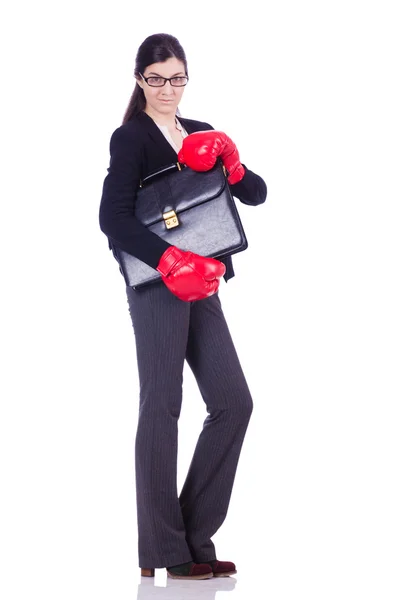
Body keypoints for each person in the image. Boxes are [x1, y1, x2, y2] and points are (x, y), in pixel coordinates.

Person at [99, 33, 267, 581]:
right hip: (158, 284)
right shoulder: (132, 139)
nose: (168, 89)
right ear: (140, 80)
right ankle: (162, 546)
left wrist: (235, 168)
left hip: (206, 281)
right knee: (163, 404)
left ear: (186, 77)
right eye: (156, 78)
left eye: (177, 78)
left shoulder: (201, 132)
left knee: (233, 402)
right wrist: (170, 260)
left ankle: (193, 536)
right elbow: (113, 218)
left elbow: (257, 194)